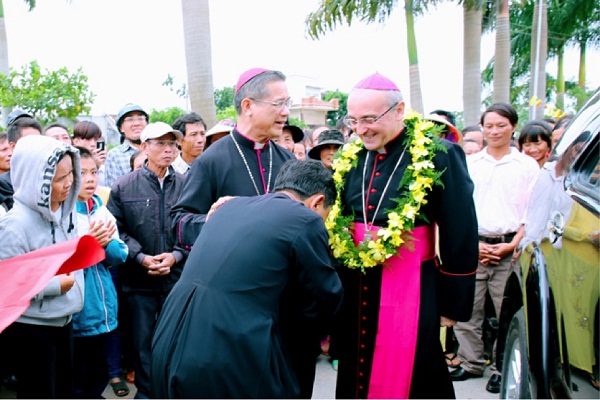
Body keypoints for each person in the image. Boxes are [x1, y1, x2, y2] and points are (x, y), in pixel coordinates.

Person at [329, 72, 479, 399]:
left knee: (415, 370)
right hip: (357, 284)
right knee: (358, 365)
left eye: (369, 118)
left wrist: (452, 304)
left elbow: (460, 231)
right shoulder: (351, 156)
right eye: (353, 120)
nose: (360, 129)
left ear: (399, 111)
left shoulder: (438, 154)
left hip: (412, 284)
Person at [150, 159, 344, 398]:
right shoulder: (305, 218)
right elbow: (324, 296)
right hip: (226, 352)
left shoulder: (230, 206)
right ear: (318, 202)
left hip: (169, 339)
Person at [451, 103, 539, 394]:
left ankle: (502, 367)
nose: (494, 131)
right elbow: (461, 209)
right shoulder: (472, 164)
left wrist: (511, 244)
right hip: (474, 246)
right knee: (468, 309)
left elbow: (533, 211)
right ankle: (471, 361)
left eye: (501, 125)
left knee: (506, 312)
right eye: (489, 125)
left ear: (513, 127)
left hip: (511, 247)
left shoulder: (526, 166)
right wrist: (473, 245)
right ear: (482, 128)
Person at [170, 68, 295, 251]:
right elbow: (179, 224)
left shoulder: (289, 161)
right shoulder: (211, 160)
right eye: (279, 104)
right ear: (248, 106)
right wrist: (211, 220)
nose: (286, 112)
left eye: (287, 103)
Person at [107, 121, 186, 399]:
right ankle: (147, 392)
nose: (168, 149)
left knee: (177, 339)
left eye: (172, 144)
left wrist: (176, 255)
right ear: (145, 147)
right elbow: (115, 230)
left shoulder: (188, 185)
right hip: (138, 279)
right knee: (141, 342)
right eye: (160, 143)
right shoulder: (124, 186)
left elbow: (195, 226)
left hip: (177, 278)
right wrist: (140, 257)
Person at [0, 135, 83, 398]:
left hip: (64, 321)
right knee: (40, 390)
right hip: (33, 329)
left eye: (71, 173)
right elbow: (8, 284)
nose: (69, 183)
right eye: (59, 179)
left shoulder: (66, 212)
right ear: (38, 181)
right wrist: (54, 285)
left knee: (62, 389)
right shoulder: (15, 225)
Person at [72, 146, 129, 398]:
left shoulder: (100, 209)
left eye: (94, 172)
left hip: (103, 306)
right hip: (78, 309)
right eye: (82, 173)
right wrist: (89, 242)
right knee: (77, 373)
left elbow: (117, 258)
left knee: (97, 370)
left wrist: (108, 244)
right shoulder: (65, 214)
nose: (90, 179)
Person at [0, 117, 43, 211]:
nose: (36, 146)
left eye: (40, 141)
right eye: (30, 142)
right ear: (13, 146)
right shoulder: (3, 184)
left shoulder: (51, 174)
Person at [104, 103, 148, 187]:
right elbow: (113, 190)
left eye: (140, 118)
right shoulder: (114, 155)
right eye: (130, 119)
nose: (136, 123)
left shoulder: (156, 150)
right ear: (121, 128)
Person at [72, 120, 108, 187]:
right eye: (88, 139)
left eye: (96, 140)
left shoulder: (105, 167)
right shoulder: (70, 163)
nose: (93, 144)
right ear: (76, 141)